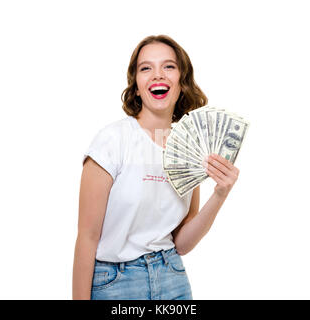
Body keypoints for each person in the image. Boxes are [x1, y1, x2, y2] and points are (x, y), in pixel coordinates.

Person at [72, 35, 240, 300]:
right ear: (137, 87)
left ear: (182, 83)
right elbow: (87, 237)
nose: (157, 75)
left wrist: (220, 193)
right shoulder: (112, 140)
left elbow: (182, 244)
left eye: (169, 66)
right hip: (115, 284)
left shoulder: (189, 148)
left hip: (172, 278)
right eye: (146, 68)